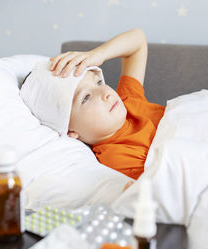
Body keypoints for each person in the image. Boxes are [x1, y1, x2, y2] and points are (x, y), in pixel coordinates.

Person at [21, 28, 164, 183]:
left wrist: (98, 54)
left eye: (98, 82)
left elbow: (138, 39)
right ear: (70, 131)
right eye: (86, 97)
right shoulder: (116, 158)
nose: (106, 93)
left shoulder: (127, 98)